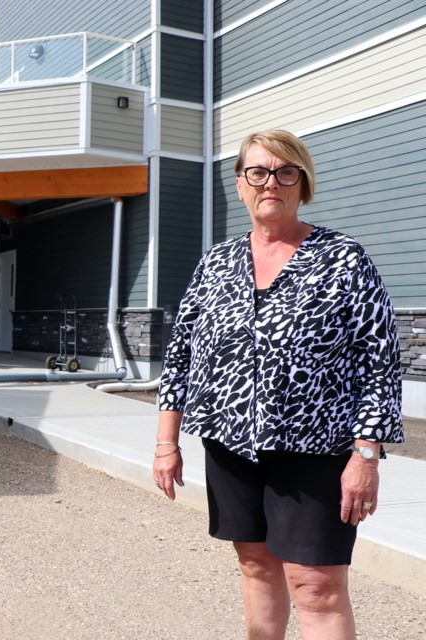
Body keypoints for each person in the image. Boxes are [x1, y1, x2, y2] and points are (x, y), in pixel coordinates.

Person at [153, 130, 404, 640]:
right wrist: (166, 443)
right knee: (256, 566)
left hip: (317, 449)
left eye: (286, 172)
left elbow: (380, 363)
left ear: (303, 184)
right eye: (259, 172)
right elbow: (179, 357)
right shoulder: (215, 263)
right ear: (241, 185)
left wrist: (366, 457)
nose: (272, 182)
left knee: (316, 586)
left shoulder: (345, 259)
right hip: (230, 445)